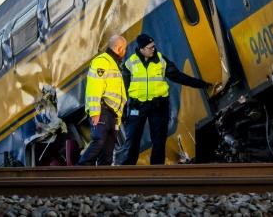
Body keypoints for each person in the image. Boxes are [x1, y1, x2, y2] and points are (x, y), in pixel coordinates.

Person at [119, 33, 210, 165]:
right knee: (132, 139)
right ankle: (127, 171)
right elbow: (123, 89)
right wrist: (121, 111)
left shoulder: (161, 60)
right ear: (141, 49)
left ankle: (156, 172)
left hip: (158, 106)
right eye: (150, 48)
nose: (153, 49)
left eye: (153, 46)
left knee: (159, 140)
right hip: (137, 107)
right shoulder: (129, 64)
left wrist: (202, 84)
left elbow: (178, 76)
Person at [77, 34, 127, 166]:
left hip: (112, 115)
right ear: (119, 47)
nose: (125, 52)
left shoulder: (113, 64)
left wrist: (118, 117)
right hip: (103, 111)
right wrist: (94, 112)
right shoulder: (103, 61)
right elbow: (94, 87)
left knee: (107, 152)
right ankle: (81, 170)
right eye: (124, 48)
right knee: (99, 141)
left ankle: (102, 180)